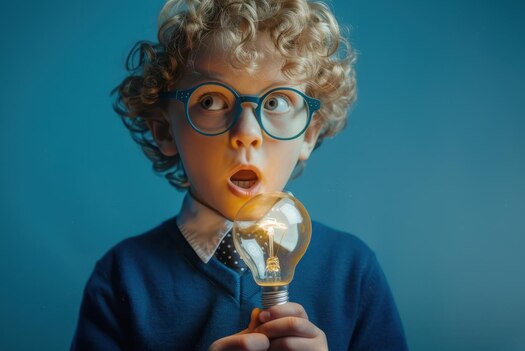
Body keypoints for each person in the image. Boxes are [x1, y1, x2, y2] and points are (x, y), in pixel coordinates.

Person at [71, 0, 408, 350]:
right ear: (165, 131)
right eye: (211, 101)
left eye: (276, 102)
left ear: (309, 133)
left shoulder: (352, 272)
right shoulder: (122, 277)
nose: (246, 132)